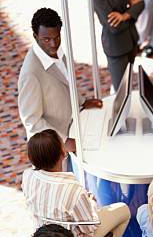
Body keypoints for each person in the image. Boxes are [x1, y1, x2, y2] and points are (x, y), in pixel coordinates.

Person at [22, 130, 130, 237]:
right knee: (124, 212)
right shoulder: (73, 190)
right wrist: (91, 204)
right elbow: (89, 227)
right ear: (63, 152)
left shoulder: (27, 176)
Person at [17, 8, 102, 152]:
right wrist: (64, 141)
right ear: (35, 36)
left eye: (56, 37)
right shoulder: (30, 73)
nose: (53, 44)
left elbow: (66, 82)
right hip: (57, 149)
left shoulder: (57, 51)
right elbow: (32, 121)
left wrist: (82, 102)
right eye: (46, 39)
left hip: (74, 127)